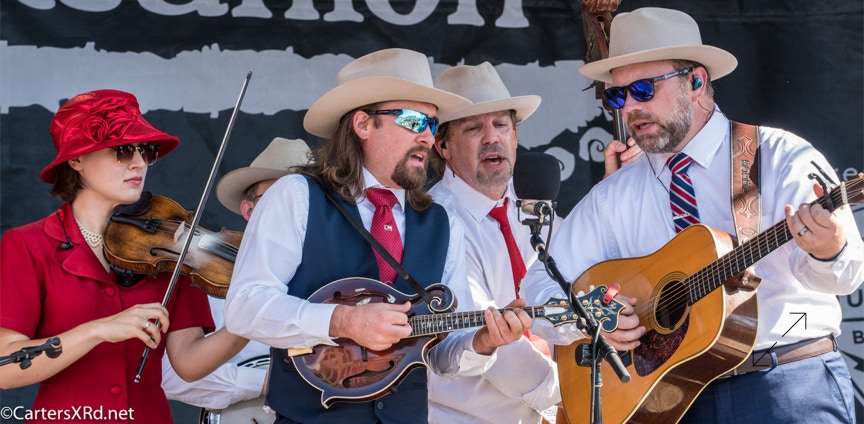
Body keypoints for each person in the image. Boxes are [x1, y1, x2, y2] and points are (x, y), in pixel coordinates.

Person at [522, 7, 863, 424]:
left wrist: (829, 250)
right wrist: (592, 315)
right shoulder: (612, 196)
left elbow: (845, 278)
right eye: (618, 96)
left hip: (784, 382)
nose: (629, 107)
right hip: (672, 399)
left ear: (697, 82)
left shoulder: (779, 156)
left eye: (643, 89)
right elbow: (539, 285)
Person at [223, 48, 533, 424]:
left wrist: (483, 342)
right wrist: (342, 321)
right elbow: (244, 308)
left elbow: (441, 354)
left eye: (432, 124)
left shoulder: (442, 222)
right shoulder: (296, 196)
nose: (427, 136)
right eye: (413, 120)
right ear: (364, 124)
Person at [0, 89, 249, 423]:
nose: (139, 162)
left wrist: (253, 318)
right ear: (76, 160)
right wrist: (97, 330)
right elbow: (6, 367)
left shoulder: (174, 246)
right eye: (122, 150)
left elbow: (189, 363)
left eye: (145, 150)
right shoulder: (27, 244)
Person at [425, 62, 642, 424]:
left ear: (515, 135)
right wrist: (572, 393)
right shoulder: (435, 222)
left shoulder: (530, 199)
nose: (492, 138)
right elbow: (493, 345)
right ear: (443, 146)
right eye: (474, 128)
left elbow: (581, 273)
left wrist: (612, 193)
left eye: (501, 125)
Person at [161, 137, 312, 423]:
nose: (293, 209)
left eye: (309, 201)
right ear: (249, 211)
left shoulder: (344, 278)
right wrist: (267, 383)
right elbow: (169, 376)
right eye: (278, 199)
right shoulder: (205, 279)